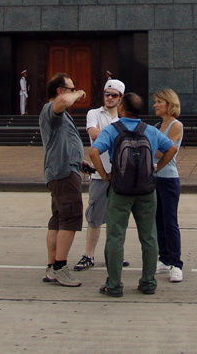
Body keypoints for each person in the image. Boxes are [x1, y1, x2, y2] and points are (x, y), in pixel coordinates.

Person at [89, 92, 177, 297]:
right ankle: (148, 282)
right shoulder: (150, 131)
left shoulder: (113, 130)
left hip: (120, 190)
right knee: (149, 237)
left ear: (121, 108)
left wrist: (105, 175)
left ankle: (114, 285)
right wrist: (157, 168)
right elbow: (171, 149)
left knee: (115, 236)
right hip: (147, 190)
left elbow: (94, 152)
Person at [72, 77, 126, 272]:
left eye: (114, 95)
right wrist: (118, 136)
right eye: (107, 94)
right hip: (99, 174)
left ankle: (115, 254)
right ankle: (89, 255)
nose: (109, 98)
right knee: (94, 215)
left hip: (120, 174)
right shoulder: (94, 113)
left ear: (120, 98)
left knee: (117, 217)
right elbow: (94, 134)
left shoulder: (123, 118)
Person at [40, 72, 87, 287]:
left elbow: (65, 141)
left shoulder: (61, 115)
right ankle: (60, 267)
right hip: (63, 173)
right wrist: (78, 93)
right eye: (71, 88)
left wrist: (80, 161)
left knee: (58, 219)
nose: (75, 92)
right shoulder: (52, 108)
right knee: (70, 217)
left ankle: (52, 267)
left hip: (65, 169)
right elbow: (62, 101)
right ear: (60, 91)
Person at [152, 88, 184, 282]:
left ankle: (176, 263)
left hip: (169, 178)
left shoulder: (175, 125)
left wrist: (151, 147)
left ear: (169, 103)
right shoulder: (157, 125)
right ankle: (164, 258)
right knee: (158, 221)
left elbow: (164, 151)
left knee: (170, 221)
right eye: (155, 101)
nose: (155, 105)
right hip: (156, 177)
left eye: (158, 101)